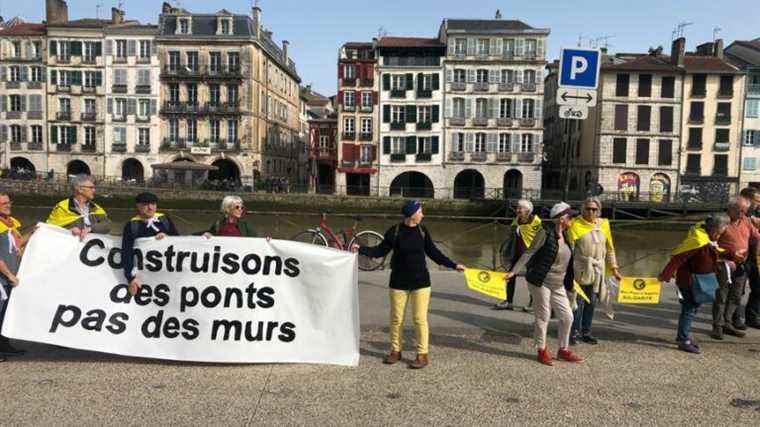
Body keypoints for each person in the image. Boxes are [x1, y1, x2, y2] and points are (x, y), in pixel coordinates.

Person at [351, 200, 465, 369]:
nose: (423, 214)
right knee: (396, 319)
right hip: (398, 282)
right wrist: (361, 248)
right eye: (420, 211)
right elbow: (380, 251)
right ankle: (395, 351)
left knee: (419, 319)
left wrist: (454, 265)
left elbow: (434, 253)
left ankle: (422, 354)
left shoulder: (422, 231)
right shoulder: (395, 231)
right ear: (412, 214)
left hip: (421, 282)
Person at [505, 202, 584, 366]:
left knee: (567, 316)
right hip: (540, 280)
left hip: (558, 283)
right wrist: (514, 271)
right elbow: (530, 252)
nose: (574, 220)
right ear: (562, 218)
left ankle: (563, 350)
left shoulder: (568, 235)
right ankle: (541, 350)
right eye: (571, 217)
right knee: (543, 316)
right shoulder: (544, 232)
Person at [659, 214, 730, 353]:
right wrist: (665, 275)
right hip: (689, 281)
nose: (719, 236)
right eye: (719, 233)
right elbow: (678, 258)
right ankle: (683, 340)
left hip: (699, 280)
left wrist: (730, 257)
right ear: (714, 229)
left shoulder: (706, 238)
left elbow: (714, 253)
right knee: (689, 310)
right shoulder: (698, 241)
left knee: (692, 308)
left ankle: (683, 336)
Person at [566, 197, 622, 345]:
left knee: (591, 301)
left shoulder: (604, 224)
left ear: (599, 211)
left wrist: (614, 268)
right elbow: (569, 250)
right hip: (581, 268)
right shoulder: (574, 224)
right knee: (577, 301)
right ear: (582, 209)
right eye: (588, 208)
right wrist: (567, 271)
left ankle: (586, 331)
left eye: (594, 209)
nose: (591, 212)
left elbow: (610, 248)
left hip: (598, 269)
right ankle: (573, 331)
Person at [712, 198, 760, 340]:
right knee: (721, 296)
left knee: (736, 295)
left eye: (744, 211)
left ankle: (727, 322)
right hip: (724, 264)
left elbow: (756, 236)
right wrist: (730, 254)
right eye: (740, 211)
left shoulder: (745, 220)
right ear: (731, 208)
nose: (743, 214)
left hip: (741, 264)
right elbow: (711, 244)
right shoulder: (722, 221)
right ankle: (718, 326)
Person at [122, 192, 180, 297]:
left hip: (166, 272)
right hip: (144, 275)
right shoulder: (132, 225)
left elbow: (179, 242)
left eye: (153, 204)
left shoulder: (164, 219)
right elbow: (126, 252)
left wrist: (167, 237)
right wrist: (131, 278)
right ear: (138, 206)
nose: (150, 208)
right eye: (146, 205)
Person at [0, 193, 32, 359]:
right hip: (3, 277)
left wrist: (34, 231)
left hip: (9, 276)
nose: (8, 205)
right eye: (3, 203)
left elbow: (17, 244)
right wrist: (9, 275)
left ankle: (4, 345)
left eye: (8, 202)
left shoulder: (10, 224)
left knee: (5, 313)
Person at [495, 199, 541, 311]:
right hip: (516, 252)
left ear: (528, 210)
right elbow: (511, 234)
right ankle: (508, 301)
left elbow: (540, 238)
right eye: (517, 208)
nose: (518, 210)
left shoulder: (536, 222)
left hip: (530, 254)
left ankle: (532, 303)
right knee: (510, 276)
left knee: (532, 279)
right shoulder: (516, 220)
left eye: (521, 208)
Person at [46, 174, 110, 240]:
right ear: (79, 189)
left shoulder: (96, 208)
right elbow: (50, 229)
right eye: (91, 187)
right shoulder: (62, 207)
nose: (94, 190)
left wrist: (90, 229)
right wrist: (68, 230)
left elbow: (107, 225)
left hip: (92, 247)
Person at [738, 187, 760, 329]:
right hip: (742, 255)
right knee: (738, 290)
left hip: (756, 255)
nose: (759, 203)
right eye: (757, 200)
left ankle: (752, 316)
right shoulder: (738, 212)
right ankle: (733, 319)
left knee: (758, 287)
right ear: (747, 199)